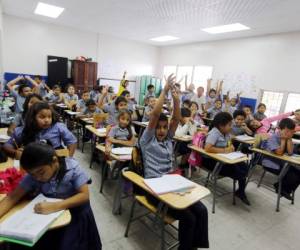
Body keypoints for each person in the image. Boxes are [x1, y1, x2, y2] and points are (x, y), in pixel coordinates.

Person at [140, 74, 209, 250]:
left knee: (201, 210)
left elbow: (176, 119)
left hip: (173, 183)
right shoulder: (147, 141)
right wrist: (164, 91)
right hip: (155, 189)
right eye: (159, 127)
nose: (162, 130)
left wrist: (177, 100)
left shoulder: (168, 139)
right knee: (189, 217)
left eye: (165, 127)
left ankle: (194, 246)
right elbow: (155, 114)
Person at [0, 142, 102, 250]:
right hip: (48, 215)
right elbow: (12, 197)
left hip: (75, 213)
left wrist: (56, 206)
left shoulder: (72, 168)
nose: (38, 178)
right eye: (33, 174)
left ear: (54, 161)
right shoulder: (35, 174)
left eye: (41, 172)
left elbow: (84, 195)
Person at [203, 112, 251, 205]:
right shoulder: (214, 133)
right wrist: (225, 150)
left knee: (244, 166)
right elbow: (207, 148)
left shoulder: (227, 133)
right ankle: (240, 190)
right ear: (221, 125)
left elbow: (229, 143)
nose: (231, 127)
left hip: (224, 159)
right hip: (211, 161)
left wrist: (231, 146)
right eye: (229, 125)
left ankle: (241, 191)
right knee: (238, 171)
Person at [3, 102, 77, 159]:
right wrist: (15, 152)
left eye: (49, 117)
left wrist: (69, 158)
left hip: (53, 161)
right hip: (32, 164)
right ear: (32, 118)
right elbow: (7, 145)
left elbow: (72, 142)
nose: (47, 120)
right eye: (42, 117)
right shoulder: (22, 130)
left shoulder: (58, 127)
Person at [261, 118, 300, 200]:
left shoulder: (288, 137)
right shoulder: (273, 138)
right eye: (286, 131)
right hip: (270, 163)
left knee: (298, 172)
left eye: (291, 131)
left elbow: (290, 152)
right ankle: (281, 187)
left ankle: (283, 189)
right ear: (279, 129)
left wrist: (289, 139)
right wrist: (283, 140)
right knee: (291, 173)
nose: (288, 133)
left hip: (282, 163)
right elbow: (279, 152)